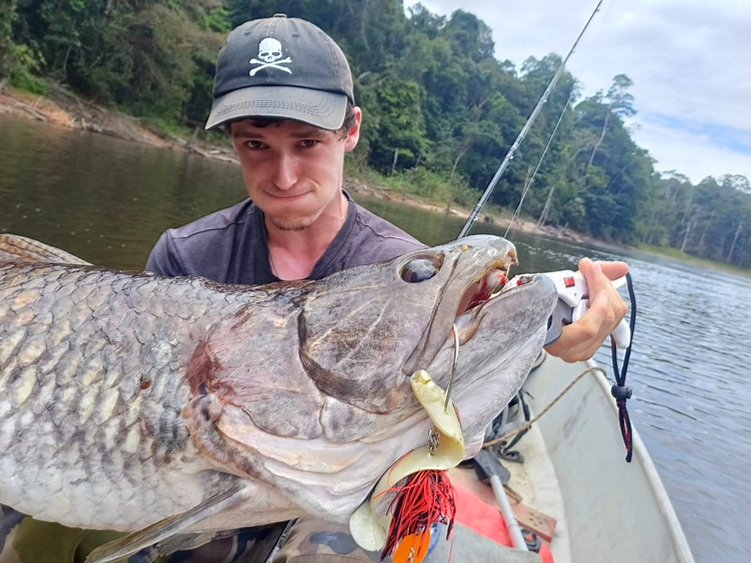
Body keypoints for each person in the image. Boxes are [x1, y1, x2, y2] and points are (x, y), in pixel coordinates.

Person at [144, 13, 629, 562]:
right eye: (256, 145)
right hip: (210, 478)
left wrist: (546, 335)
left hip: (334, 496)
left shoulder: (399, 268)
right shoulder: (185, 255)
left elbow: (458, 389)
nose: (283, 176)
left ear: (350, 130)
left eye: (307, 142)